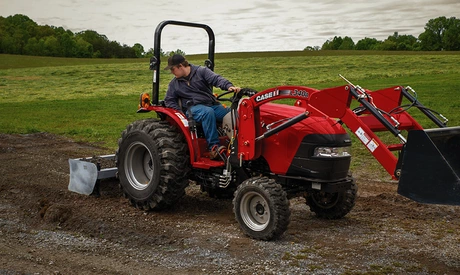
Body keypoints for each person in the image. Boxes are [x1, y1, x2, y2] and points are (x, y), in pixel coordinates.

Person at [163, 54, 241, 159]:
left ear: (180, 66)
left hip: (211, 104)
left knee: (232, 113)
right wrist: (179, 114)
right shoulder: (174, 84)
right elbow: (169, 100)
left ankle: (239, 144)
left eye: (173, 69)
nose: (172, 72)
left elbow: (216, 79)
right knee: (207, 112)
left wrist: (228, 86)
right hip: (193, 109)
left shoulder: (201, 72)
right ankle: (214, 147)